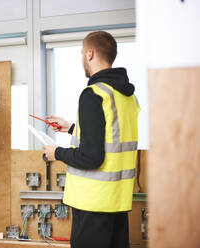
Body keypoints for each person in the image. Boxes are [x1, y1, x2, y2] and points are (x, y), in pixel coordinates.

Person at [43, 31, 139, 248]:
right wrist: (71, 128)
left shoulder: (93, 94)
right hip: (117, 202)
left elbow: (91, 157)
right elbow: (112, 137)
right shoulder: (126, 96)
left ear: (90, 54)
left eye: (81, 54)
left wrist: (56, 152)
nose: (82, 60)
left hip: (92, 203)